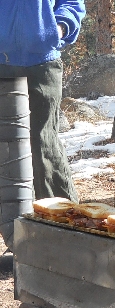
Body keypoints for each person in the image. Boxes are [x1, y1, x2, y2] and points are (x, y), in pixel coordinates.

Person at [0, 0, 86, 204]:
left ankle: (62, 227)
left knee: (43, 144)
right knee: (4, 148)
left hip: (43, 65)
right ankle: (14, 227)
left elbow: (72, 2)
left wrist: (59, 28)